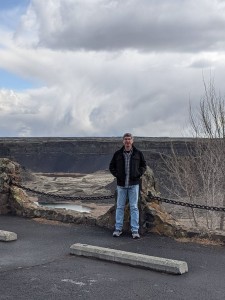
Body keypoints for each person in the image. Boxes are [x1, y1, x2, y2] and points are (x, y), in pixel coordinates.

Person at [109, 133, 147, 239]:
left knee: (134, 207)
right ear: (123, 141)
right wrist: (118, 175)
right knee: (120, 207)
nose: (127, 141)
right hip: (121, 185)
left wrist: (137, 174)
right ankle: (118, 229)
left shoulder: (138, 154)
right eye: (125, 139)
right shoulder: (118, 154)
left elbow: (144, 165)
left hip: (134, 185)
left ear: (132, 141)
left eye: (129, 139)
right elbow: (111, 166)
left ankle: (135, 230)